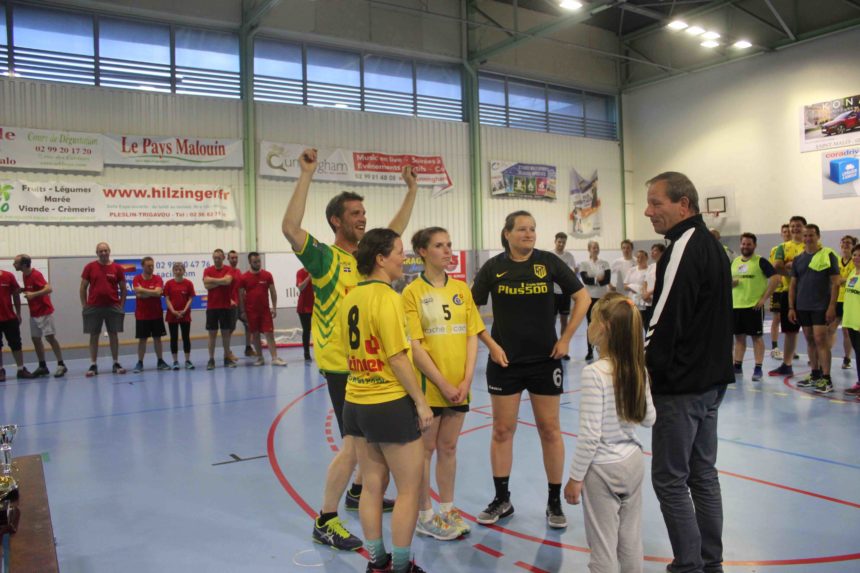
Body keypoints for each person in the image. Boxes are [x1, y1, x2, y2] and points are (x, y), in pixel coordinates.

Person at [281, 148, 418, 550]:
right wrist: (306, 174)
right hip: (343, 367)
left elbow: (393, 233)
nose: (363, 218)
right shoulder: (325, 259)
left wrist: (411, 190)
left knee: (365, 445)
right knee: (353, 448)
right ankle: (326, 519)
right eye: (355, 213)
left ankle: (358, 493)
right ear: (336, 221)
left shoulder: (365, 259)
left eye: (364, 213)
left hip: (371, 367)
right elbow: (290, 228)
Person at [471, 210, 589, 528]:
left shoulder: (548, 263)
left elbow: (583, 298)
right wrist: (490, 344)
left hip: (544, 361)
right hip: (504, 363)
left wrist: (566, 338)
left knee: (550, 430)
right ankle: (502, 499)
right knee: (501, 431)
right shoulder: (493, 268)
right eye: (522, 229)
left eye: (533, 229)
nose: (529, 233)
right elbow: (470, 309)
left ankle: (554, 502)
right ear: (507, 233)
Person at [643, 172, 733, 573]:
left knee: (670, 479)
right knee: (703, 475)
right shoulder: (711, 246)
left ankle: (689, 566)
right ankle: (710, 563)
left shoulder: (683, 246)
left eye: (655, 203)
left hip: (682, 387)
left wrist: (641, 370)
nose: (648, 212)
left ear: (683, 205)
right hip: (710, 382)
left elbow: (663, 320)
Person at [341, 228, 433, 573]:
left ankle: (377, 562)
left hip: (356, 402)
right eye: (398, 251)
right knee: (409, 489)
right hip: (389, 403)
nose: (403, 258)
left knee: (371, 486)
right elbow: (396, 356)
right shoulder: (389, 298)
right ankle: (402, 566)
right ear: (380, 259)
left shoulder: (350, 297)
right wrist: (420, 401)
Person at [564, 292, 656, 573]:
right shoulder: (638, 369)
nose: (588, 326)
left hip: (603, 469)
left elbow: (590, 435)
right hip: (633, 462)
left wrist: (575, 479)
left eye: (592, 320)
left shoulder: (595, 373)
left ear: (604, 328)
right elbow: (649, 418)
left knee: (602, 547)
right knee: (631, 540)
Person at [402, 227, 484, 541]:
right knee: (425, 450)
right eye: (439, 245)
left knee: (449, 448)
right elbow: (415, 345)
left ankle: (448, 509)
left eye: (449, 244)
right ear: (423, 252)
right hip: (430, 387)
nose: (448, 250)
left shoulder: (462, 289)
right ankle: (425, 515)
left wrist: (465, 379)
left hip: (459, 385)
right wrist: (443, 383)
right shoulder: (412, 292)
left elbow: (472, 335)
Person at [789, 224, 840, 394]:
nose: (808, 238)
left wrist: (831, 306)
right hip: (803, 306)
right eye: (805, 235)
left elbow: (835, 282)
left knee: (820, 340)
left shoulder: (828, 255)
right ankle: (815, 374)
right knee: (810, 340)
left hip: (821, 306)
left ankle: (827, 378)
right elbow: (793, 285)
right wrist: (791, 307)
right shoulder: (798, 259)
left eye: (811, 235)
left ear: (818, 236)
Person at [731, 233, 780, 382]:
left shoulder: (760, 261)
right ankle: (737, 366)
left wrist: (764, 298)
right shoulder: (734, 262)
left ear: (754, 245)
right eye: (743, 244)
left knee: (756, 338)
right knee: (739, 338)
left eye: (749, 244)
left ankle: (758, 368)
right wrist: (731, 283)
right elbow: (728, 281)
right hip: (736, 305)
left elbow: (776, 279)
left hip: (753, 307)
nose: (745, 246)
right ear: (740, 245)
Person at [13, 255, 66, 378]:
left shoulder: (36, 274)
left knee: (50, 338)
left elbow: (49, 289)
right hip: (34, 313)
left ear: (24, 265)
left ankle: (61, 365)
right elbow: (33, 288)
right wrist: (23, 289)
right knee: (35, 339)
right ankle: (42, 366)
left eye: (16, 263)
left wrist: (33, 294)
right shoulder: (24, 275)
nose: (14, 265)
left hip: (44, 312)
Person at [80, 242, 128, 377]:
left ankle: (115, 362)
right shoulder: (90, 267)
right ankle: (93, 364)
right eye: (100, 251)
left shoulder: (117, 268)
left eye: (105, 250)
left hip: (113, 307)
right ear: (97, 253)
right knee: (94, 335)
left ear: (109, 251)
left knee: (113, 334)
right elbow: (83, 287)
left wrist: (121, 305)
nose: (103, 253)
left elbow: (123, 288)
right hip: (93, 307)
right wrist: (84, 305)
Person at [769, 216, 807, 377]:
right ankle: (787, 364)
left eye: (798, 226)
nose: (795, 229)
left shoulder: (811, 246)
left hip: (808, 293)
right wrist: (795, 274)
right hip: (788, 292)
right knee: (790, 332)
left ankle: (817, 367)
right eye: (792, 226)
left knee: (812, 332)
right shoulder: (782, 247)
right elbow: (777, 266)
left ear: (804, 227)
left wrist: (793, 266)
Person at [239, 252, 287, 367]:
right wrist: (243, 311)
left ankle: (274, 358)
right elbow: (240, 295)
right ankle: (260, 358)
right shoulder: (243, 277)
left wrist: (274, 307)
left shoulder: (267, 275)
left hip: (265, 311)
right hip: (251, 312)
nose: (258, 263)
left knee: (269, 333)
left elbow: (273, 292)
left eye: (259, 261)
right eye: (255, 262)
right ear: (250, 262)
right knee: (255, 334)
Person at [132, 257, 170, 373]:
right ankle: (140, 362)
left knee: (157, 338)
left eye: (152, 265)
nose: (151, 268)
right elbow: (138, 294)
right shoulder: (137, 278)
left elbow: (158, 292)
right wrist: (152, 293)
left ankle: (160, 361)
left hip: (156, 314)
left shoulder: (158, 278)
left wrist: (143, 291)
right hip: (142, 315)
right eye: (148, 266)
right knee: (142, 339)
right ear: (143, 266)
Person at [203, 249, 237, 370]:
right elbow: (206, 285)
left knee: (225, 335)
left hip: (225, 307)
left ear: (223, 258)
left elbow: (227, 281)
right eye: (215, 258)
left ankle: (227, 358)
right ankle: (211, 359)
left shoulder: (228, 269)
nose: (216, 260)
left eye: (219, 257)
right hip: (212, 307)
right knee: (212, 335)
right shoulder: (208, 270)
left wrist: (212, 280)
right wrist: (221, 281)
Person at [579, 240, 612, 361]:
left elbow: (607, 280)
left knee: (604, 323)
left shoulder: (605, 263)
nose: (595, 249)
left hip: (602, 298)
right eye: (593, 247)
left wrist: (593, 279)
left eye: (597, 247)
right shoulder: (584, 264)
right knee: (590, 324)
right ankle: (590, 351)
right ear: (589, 249)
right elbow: (585, 280)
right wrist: (597, 279)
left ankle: (603, 349)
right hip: (589, 298)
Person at [0, 268, 34, 381]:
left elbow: (15, 295)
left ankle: (20, 369)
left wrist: (18, 313)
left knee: (16, 344)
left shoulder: (8, 276)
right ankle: (0, 370)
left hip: (9, 317)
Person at [163, 262, 195, 370]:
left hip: (185, 315)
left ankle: (187, 360)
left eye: (180, 269)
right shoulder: (168, 284)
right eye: (176, 269)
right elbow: (167, 299)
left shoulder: (189, 283)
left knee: (186, 337)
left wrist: (184, 311)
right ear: (173, 271)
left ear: (184, 271)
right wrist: (173, 311)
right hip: (172, 315)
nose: (178, 271)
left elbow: (190, 298)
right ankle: (175, 361)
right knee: (174, 338)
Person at [552, 232, 578, 358]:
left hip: (565, 294)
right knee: (551, 322)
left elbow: (573, 272)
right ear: (555, 242)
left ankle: (562, 348)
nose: (561, 244)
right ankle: (552, 347)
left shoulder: (569, 256)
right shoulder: (550, 255)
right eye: (559, 242)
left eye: (563, 242)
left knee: (564, 321)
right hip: (552, 293)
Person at [768, 224, 791, 359]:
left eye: (789, 231)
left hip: (791, 288)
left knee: (792, 318)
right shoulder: (776, 250)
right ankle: (774, 347)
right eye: (785, 232)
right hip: (778, 289)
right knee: (777, 318)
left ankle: (790, 348)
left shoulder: (797, 249)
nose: (787, 233)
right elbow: (774, 268)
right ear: (781, 234)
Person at [834, 235, 858, 370]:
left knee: (847, 331)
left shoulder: (855, 263)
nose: (845, 245)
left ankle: (847, 358)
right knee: (830, 328)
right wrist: (841, 280)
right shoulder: (837, 261)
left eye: (848, 243)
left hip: (850, 300)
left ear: (853, 245)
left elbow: (844, 280)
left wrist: (842, 280)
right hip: (837, 298)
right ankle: (823, 355)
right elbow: (834, 280)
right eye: (843, 242)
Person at [227, 249, 253, 360]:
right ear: (228, 259)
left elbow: (241, 288)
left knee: (249, 325)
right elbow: (223, 289)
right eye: (232, 258)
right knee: (230, 329)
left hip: (241, 305)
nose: (234, 260)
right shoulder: (226, 272)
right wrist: (229, 300)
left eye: (236, 258)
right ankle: (227, 352)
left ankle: (248, 348)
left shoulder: (238, 272)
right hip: (231, 306)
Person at [842, 244, 860, 399]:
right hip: (851, 321)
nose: (856, 258)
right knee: (858, 354)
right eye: (854, 255)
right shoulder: (853, 272)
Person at [296, 266, 314, 362]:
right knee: (307, 330)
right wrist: (309, 277)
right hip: (304, 307)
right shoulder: (300, 272)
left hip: (316, 306)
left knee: (320, 330)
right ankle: (306, 353)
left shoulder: (317, 270)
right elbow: (300, 287)